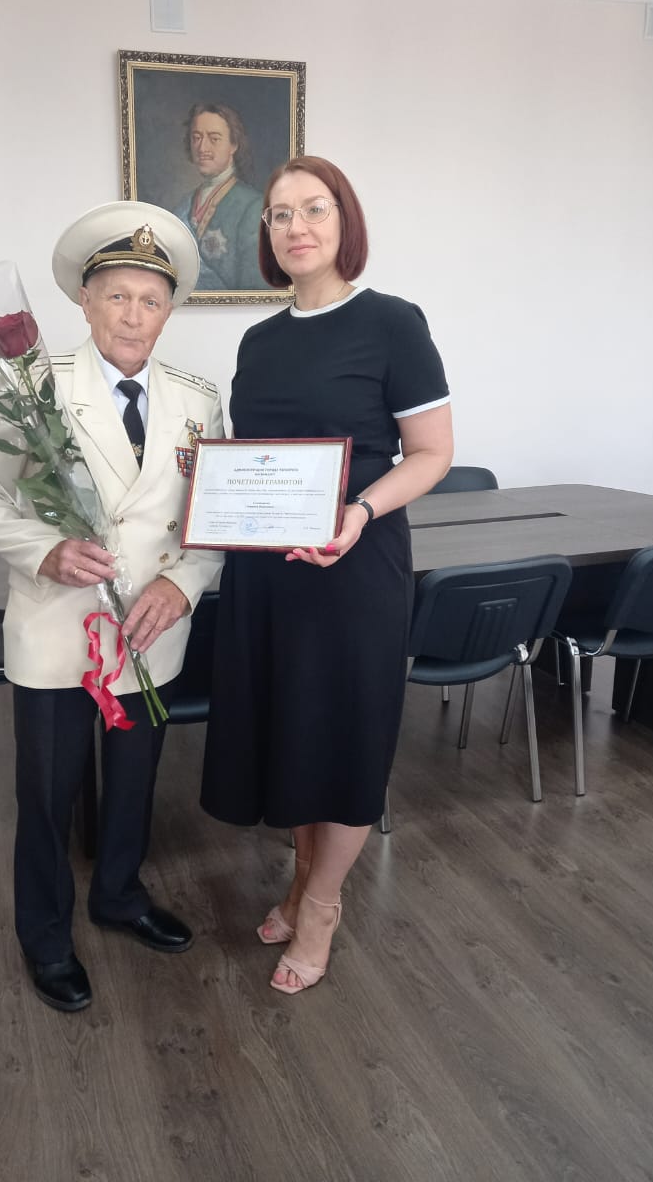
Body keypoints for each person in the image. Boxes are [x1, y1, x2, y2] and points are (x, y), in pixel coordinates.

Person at [0, 202, 224, 1013]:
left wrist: (184, 583)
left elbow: (211, 517)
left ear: (168, 311)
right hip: (57, 633)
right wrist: (44, 549)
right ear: (86, 301)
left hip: (151, 633)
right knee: (47, 795)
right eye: (118, 297)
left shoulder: (198, 400)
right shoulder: (32, 387)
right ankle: (44, 934)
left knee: (134, 782)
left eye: (151, 300)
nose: (134, 315)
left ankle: (119, 895)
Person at [200, 156, 453, 995]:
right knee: (293, 731)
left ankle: (322, 906)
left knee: (342, 736)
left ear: (345, 221)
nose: (296, 226)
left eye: (314, 209)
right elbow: (263, 457)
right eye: (279, 214)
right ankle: (299, 879)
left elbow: (432, 454)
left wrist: (360, 512)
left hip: (353, 566)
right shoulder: (259, 340)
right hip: (268, 575)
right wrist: (212, 478)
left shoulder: (392, 323)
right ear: (266, 234)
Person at [174, 102, 265, 292]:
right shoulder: (185, 203)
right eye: (196, 138)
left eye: (214, 138)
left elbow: (256, 289)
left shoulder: (253, 205)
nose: (202, 147)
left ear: (234, 145)